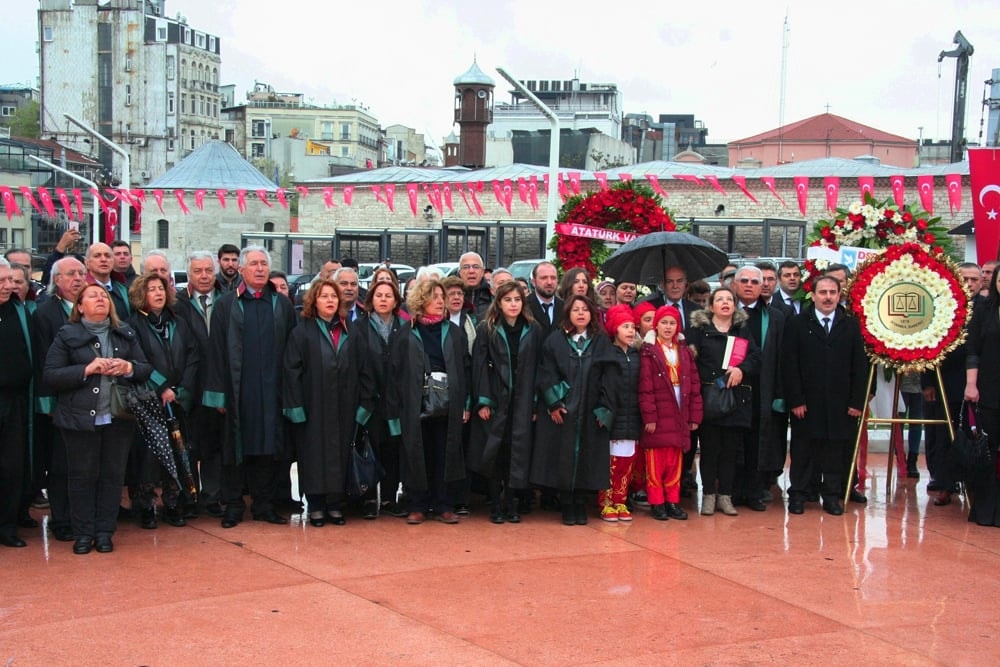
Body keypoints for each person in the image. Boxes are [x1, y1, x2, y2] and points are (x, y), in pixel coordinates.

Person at [43, 283, 152, 554]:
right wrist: (86, 369)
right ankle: (83, 534)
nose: (100, 299)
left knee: (112, 477)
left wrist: (129, 367)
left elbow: (145, 368)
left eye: (104, 296)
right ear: (80, 306)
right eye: (93, 296)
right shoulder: (67, 334)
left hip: (118, 417)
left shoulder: (124, 333)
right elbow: (51, 374)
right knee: (82, 477)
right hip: (79, 420)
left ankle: (104, 532)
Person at [202, 247, 298, 529]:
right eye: (253, 264)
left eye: (263, 264)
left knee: (268, 449)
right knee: (235, 449)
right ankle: (233, 505)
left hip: (271, 390)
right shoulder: (227, 305)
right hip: (237, 391)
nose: (259, 269)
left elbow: (292, 352)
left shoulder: (281, 305)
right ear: (241, 270)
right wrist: (217, 394)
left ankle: (263, 505)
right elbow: (216, 350)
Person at [284, 279, 368, 527]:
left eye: (333, 296)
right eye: (324, 296)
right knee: (314, 455)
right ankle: (317, 505)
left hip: (345, 407)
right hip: (313, 407)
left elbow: (365, 371)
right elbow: (291, 371)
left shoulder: (351, 333)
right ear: (314, 301)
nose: (330, 300)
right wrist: (295, 407)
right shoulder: (302, 332)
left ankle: (335, 504)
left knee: (340, 454)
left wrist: (363, 407)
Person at [783, 276, 868, 516]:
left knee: (834, 452)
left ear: (840, 295)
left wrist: (856, 401)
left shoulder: (850, 325)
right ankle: (798, 494)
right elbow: (790, 364)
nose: (828, 297)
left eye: (833, 292)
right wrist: (796, 399)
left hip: (840, 404)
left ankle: (831, 496)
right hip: (807, 403)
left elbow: (859, 366)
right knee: (803, 451)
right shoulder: (798, 323)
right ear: (813, 295)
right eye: (823, 292)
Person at [531, 294, 616, 526]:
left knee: (588, 457)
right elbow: (546, 373)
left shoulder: (601, 341)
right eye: (576, 309)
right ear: (567, 313)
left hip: (590, 410)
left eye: (585, 309)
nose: (580, 313)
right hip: (565, 411)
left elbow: (610, 377)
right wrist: (554, 403)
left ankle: (580, 501)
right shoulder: (555, 340)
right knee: (563, 457)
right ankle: (567, 503)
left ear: (592, 314)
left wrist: (605, 409)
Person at [128, 272, 200, 529]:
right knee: (149, 456)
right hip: (149, 400)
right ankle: (146, 506)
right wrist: (162, 388)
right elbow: (138, 362)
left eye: (161, 289)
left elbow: (193, 355)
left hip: (177, 399)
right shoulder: (133, 325)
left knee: (179, 451)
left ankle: (173, 502)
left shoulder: (178, 321)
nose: (158, 293)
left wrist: (180, 389)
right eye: (151, 290)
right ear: (141, 295)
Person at [468, 281, 542, 524]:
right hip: (496, 399)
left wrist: (533, 403)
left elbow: (537, 368)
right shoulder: (487, 329)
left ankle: (512, 502)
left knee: (515, 452)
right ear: (498, 303)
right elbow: (479, 367)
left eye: (517, 300)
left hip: (521, 401)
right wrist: (483, 401)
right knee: (495, 452)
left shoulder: (533, 329)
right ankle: (495, 503)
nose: (513, 304)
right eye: (508, 299)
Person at [399, 279, 470, 524]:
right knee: (418, 453)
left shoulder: (453, 332)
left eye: (442, 296)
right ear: (421, 300)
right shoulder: (407, 332)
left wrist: (466, 404)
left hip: (448, 402)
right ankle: (417, 504)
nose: (441, 301)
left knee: (445, 452)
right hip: (415, 402)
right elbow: (395, 372)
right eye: (434, 296)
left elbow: (466, 368)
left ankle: (443, 505)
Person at [686, 287, 761, 516]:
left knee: (731, 450)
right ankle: (709, 494)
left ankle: (725, 496)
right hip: (709, 398)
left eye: (729, 299)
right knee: (709, 449)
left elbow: (756, 357)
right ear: (711, 306)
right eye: (720, 299)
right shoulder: (699, 330)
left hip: (735, 398)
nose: (725, 303)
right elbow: (690, 360)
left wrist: (742, 369)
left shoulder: (742, 329)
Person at [34, 257, 89, 542]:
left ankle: (83, 516)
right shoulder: (45, 313)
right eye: (71, 274)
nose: (78, 278)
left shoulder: (94, 309)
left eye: (82, 273)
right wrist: (48, 404)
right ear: (57, 280)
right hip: (60, 399)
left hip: (90, 399)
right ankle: (62, 518)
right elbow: (42, 359)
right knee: (60, 463)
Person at [173, 251, 226, 517]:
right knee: (188, 444)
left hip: (218, 384)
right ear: (189, 274)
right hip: (188, 384)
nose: (204, 276)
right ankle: (189, 496)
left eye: (208, 270)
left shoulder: (227, 300)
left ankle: (212, 497)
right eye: (198, 271)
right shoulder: (177, 303)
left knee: (214, 445)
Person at [638, 305, 702, 521]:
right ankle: (657, 502)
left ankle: (673, 501)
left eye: (672, 323)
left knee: (675, 461)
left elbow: (694, 384)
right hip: (659, 410)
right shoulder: (649, 351)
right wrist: (650, 417)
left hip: (679, 410)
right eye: (664, 322)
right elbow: (645, 387)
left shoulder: (684, 351)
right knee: (657, 462)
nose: (668, 327)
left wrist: (694, 416)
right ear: (656, 325)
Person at [731, 265, 787, 512]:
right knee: (733, 441)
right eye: (744, 280)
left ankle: (754, 491)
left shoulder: (774, 316)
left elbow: (783, 357)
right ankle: (731, 491)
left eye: (756, 281)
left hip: (762, 388)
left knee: (757, 441)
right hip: (732, 387)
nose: (750, 285)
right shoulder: (725, 312)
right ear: (735, 285)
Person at [358, 279, 409, 517]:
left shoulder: (406, 327)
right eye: (378, 295)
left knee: (393, 450)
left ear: (396, 301)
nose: (383, 300)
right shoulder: (359, 327)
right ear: (371, 299)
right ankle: (368, 499)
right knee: (370, 449)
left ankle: (389, 498)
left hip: (397, 402)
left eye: (388, 296)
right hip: (369, 401)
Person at [0, 260, 35, 548]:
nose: (8, 286)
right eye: (2, 281)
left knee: (12, 465)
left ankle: (7, 525)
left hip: (16, 401)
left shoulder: (20, 310)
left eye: (10, 280)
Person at [598, 304, 641, 522]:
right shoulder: (607, 355)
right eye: (625, 326)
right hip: (613, 418)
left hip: (633, 418)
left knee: (627, 463)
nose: (631, 331)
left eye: (633, 327)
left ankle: (621, 500)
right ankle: (606, 502)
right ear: (615, 329)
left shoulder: (637, 355)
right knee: (610, 463)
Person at [965, 264, 1000, 526]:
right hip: (989, 388)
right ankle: (986, 509)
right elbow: (973, 351)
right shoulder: (984, 311)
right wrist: (971, 384)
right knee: (989, 449)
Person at [643, 266, 699, 330]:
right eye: (669, 281)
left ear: (685, 283)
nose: (675, 286)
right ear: (662, 284)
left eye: (679, 281)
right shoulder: (651, 308)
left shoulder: (696, 309)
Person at [85, 242, 131, 318]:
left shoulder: (124, 289)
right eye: (97, 256)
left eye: (108, 256)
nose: (103, 259)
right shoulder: (81, 289)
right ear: (87, 263)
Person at [526, 260, 562, 336]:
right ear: (533, 282)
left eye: (553, 278)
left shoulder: (565, 307)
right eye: (544, 278)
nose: (549, 282)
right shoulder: (524, 306)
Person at [459, 252, 492, 319]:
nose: (471, 271)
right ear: (460, 272)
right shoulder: (450, 296)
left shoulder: (492, 295)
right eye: (466, 267)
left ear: (483, 272)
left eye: (476, 267)